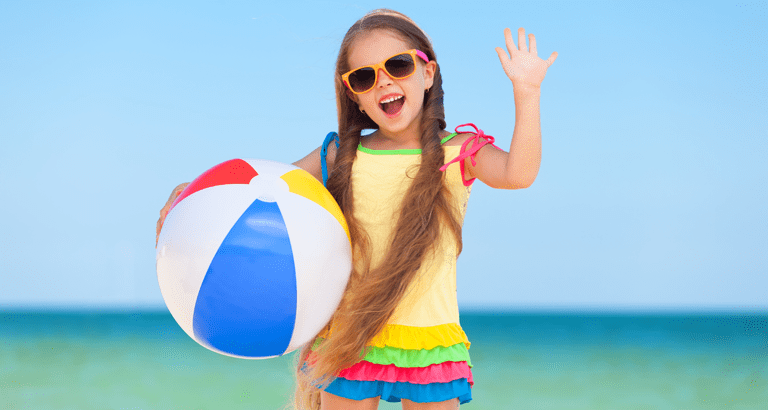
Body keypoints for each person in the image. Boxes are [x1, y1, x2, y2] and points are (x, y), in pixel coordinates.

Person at [156, 9, 556, 410]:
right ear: (354, 94)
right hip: (350, 333)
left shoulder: (457, 152)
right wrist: (193, 192)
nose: (384, 81)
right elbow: (268, 184)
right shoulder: (341, 153)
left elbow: (517, 174)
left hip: (427, 336)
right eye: (364, 76)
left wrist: (527, 92)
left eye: (398, 65)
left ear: (428, 74)